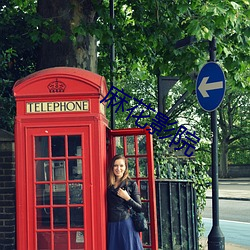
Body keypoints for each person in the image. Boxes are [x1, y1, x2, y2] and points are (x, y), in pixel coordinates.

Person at [107, 154, 144, 250]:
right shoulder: (108, 183)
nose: (118, 168)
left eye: (121, 166)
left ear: (125, 168)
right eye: (115, 165)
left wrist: (127, 198)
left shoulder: (131, 184)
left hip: (125, 224)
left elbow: (139, 208)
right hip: (111, 225)